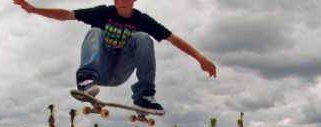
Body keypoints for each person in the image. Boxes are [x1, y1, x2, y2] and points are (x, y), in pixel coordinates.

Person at [13, 0, 217, 112]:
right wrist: (34, 9)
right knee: (95, 32)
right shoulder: (104, 12)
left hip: (120, 72)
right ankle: (85, 79)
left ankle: (144, 95)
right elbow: (67, 15)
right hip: (98, 71)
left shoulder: (142, 20)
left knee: (143, 38)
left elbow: (173, 38)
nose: (121, 3)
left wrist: (201, 59)